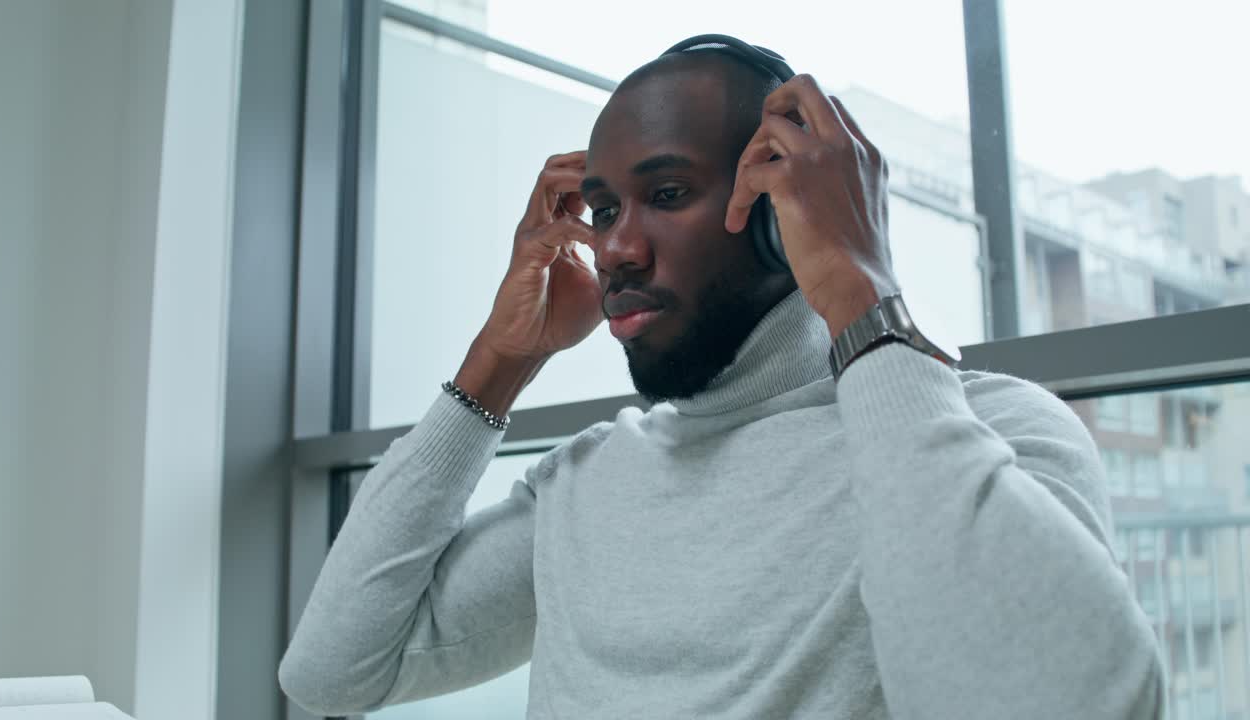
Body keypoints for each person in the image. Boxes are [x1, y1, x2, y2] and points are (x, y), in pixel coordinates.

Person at [279, 38, 1163, 719]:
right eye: (603, 210)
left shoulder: (993, 436)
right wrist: (500, 361)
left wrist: (861, 291)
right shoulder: (586, 484)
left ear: (784, 213)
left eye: (667, 194)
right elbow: (332, 668)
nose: (616, 249)